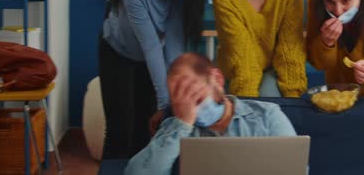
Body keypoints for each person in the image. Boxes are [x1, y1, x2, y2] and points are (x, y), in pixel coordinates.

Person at [99, 0, 206, 158]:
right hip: (118, 53)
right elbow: (151, 46)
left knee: (147, 126)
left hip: (149, 56)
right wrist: (165, 101)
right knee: (119, 127)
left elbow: (174, 47)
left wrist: (172, 100)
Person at [124, 53, 297, 175]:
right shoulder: (174, 127)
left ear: (217, 80)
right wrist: (182, 124)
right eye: (179, 101)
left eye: (194, 96)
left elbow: (296, 169)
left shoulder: (267, 115)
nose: (189, 107)